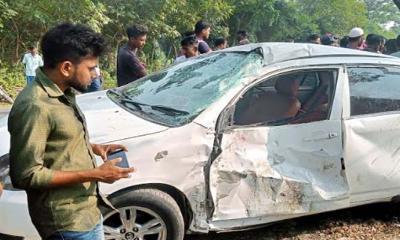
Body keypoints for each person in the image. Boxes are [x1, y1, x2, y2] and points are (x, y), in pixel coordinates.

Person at [8, 23, 134, 240]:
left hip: (86, 209)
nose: (96, 74)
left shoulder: (63, 92)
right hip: (66, 222)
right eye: (91, 67)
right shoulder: (35, 105)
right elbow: (26, 175)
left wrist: (94, 147)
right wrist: (94, 174)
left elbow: (58, 140)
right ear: (66, 67)